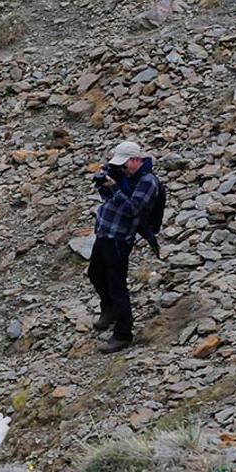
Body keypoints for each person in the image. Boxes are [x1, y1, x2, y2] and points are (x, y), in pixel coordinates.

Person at [88, 141, 160, 354]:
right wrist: (104, 184)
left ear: (137, 160)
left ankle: (123, 334)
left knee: (117, 284)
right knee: (95, 274)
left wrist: (115, 188)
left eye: (124, 164)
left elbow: (133, 210)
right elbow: (107, 198)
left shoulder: (148, 182)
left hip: (119, 238)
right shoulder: (122, 175)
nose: (121, 168)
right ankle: (108, 309)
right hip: (104, 232)